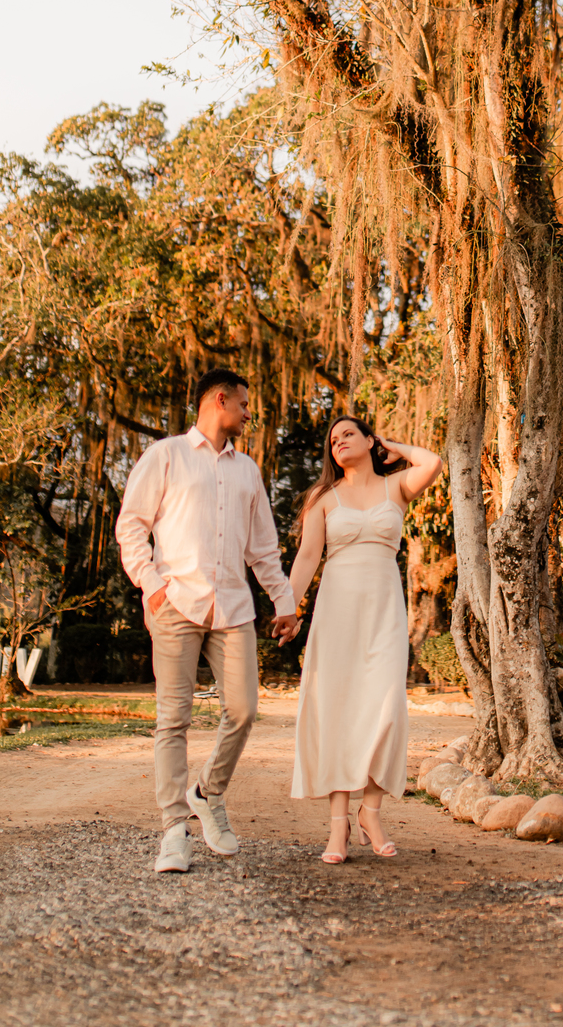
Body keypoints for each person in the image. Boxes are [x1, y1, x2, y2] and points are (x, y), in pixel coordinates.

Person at [115, 368, 298, 874]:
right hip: (177, 604)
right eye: (244, 405)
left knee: (242, 710)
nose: (248, 415)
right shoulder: (166, 455)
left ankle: (207, 791)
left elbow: (262, 547)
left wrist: (283, 600)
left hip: (233, 608)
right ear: (220, 400)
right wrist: (152, 587)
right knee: (172, 719)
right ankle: (174, 830)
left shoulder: (249, 471)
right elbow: (132, 526)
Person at [289, 414, 443, 862]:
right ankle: (337, 827)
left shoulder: (395, 487)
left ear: (368, 440)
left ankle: (370, 813)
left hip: (384, 616)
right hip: (337, 615)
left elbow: (432, 462)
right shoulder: (323, 497)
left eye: (348, 434)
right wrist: (289, 608)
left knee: (386, 711)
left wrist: (393, 446)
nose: (338, 442)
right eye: (332, 439)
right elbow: (307, 558)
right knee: (337, 713)